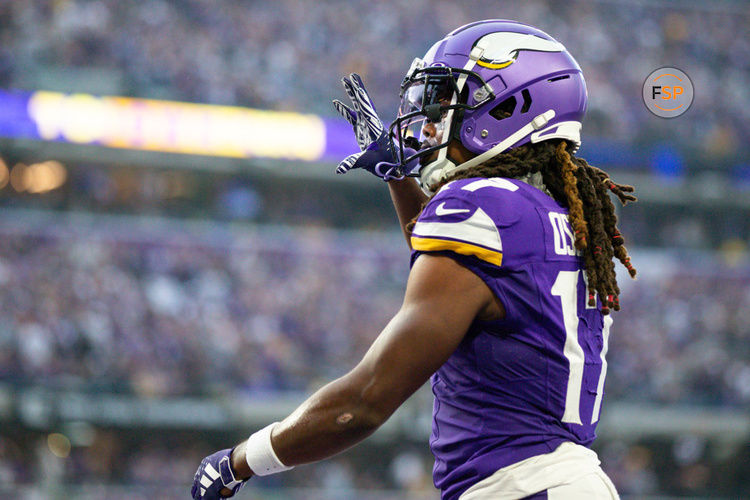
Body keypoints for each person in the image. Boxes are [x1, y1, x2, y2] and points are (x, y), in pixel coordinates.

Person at [192, 19, 637, 500]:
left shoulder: (481, 207)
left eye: (445, 102)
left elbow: (364, 402)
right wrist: (397, 177)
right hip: (563, 480)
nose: (427, 122)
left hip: (520, 487)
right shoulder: (557, 218)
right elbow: (461, 278)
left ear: (507, 108)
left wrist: (237, 462)